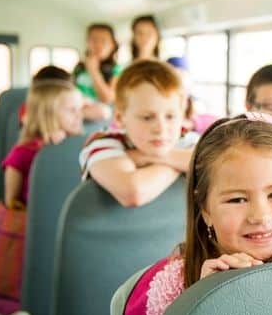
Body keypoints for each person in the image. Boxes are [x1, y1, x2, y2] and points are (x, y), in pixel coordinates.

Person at [122, 113, 272, 315]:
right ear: (205, 209)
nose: (260, 216)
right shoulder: (170, 287)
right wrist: (202, 305)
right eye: (237, 199)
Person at [0, 80, 83, 300]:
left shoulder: (81, 149)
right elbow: (11, 200)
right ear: (48, 113)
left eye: (80, 109)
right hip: (32, 233)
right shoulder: (23, 153)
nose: (79, 116)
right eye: (71, 110)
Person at [79, 60, 197, 208]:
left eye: (170, 116)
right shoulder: (102, 142)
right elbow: (134, 192)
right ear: (120, 118)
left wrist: (145, 157)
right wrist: (183, 163)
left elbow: (217, 165)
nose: (161, 128)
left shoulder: (186, 138)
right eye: (147, 117)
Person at [19, 65, 111, 123]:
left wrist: (75, 111)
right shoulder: (30, 109)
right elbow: (27, 120)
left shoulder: (78, 104)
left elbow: (104, 112)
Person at [166, 56, 219, 134]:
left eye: (182, 75)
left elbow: (216, 121)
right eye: (174, 76)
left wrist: (192, 123)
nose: (179, 80)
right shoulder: (163, 102)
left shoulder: (195, 103)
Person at [73, 23, 122, 103]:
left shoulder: (117, 69)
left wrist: (93, 71)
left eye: (103, 41)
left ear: (112, 45)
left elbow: (108, 98)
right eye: (94, 40)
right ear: (87, 42)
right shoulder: (79, 67)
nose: (98, 45)